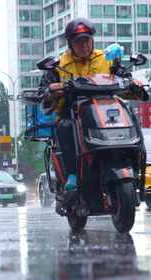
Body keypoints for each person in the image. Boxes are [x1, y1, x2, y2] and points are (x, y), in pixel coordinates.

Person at [39, 18, 112, 191]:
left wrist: (134, 83)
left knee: (129, 117)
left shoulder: (107, 59)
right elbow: (42, 92)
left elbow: (124, 76)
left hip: (105, 112)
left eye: (87, 40)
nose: (84, 46)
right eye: (79, 42)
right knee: (64, 126)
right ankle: (72, 173)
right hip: (71, 113)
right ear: (71, 44)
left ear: (92, 40)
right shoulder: (58, 65)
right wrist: (50, 90)